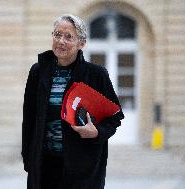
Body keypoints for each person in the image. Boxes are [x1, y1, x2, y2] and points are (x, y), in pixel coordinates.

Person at [22, 14, 124, 189]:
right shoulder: (38, 71)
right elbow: (29, 118)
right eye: (57, 34)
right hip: (44, 165)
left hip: (82, 168)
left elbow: (115, 118)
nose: (61, 41)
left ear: (81, 43)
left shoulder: (95, 75)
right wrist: (28, 159)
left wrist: (96, 132)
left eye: (69, 37)